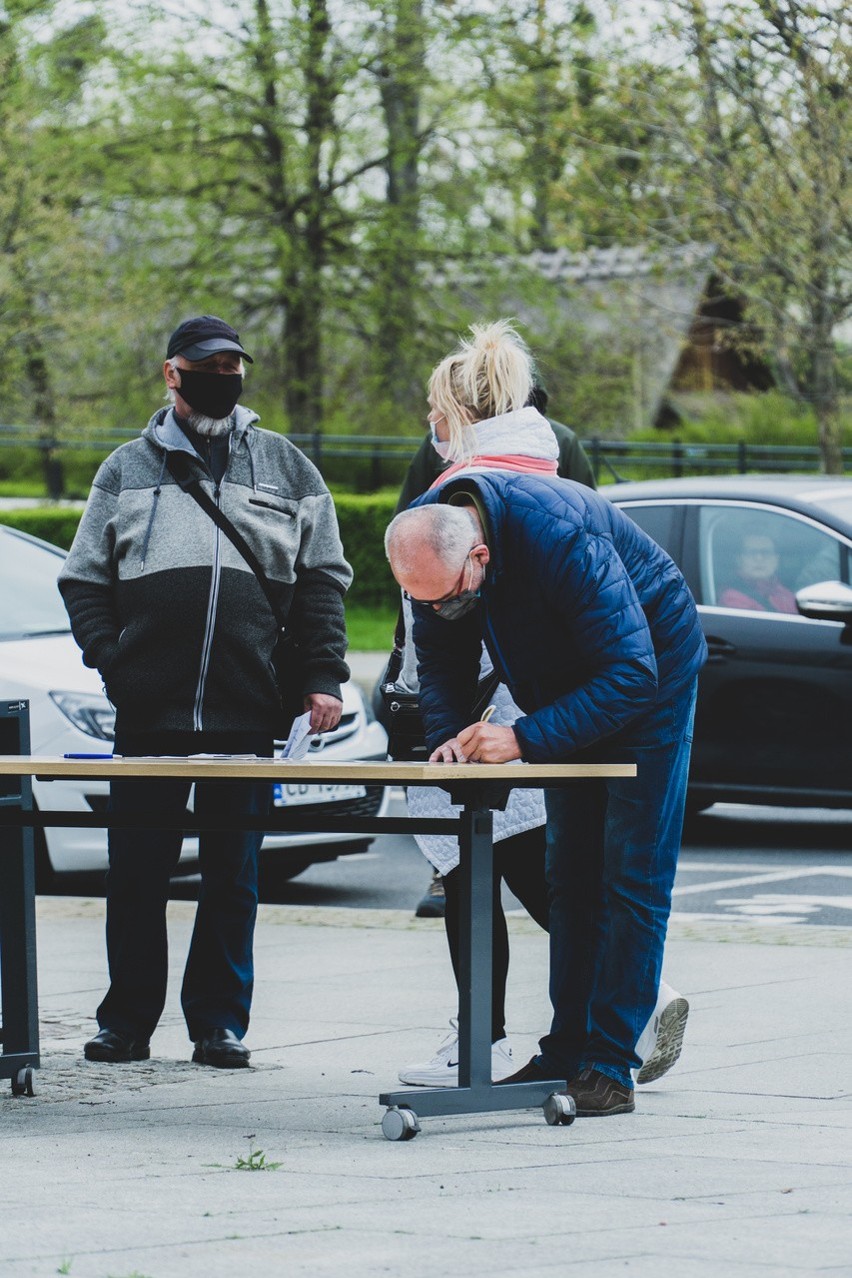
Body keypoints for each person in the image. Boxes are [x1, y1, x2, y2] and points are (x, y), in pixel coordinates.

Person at [390, 320, 698, 1101]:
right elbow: (445, 667)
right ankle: (565, 1050)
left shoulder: (557, 525)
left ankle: (610, 1063)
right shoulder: (437, 543)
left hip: (650, 676)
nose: (444, 609)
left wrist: (523, 739)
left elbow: (632, 670)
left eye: (455, 594)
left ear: (481, 559)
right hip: (571, 677)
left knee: (629, 873)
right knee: (569, 873)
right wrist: (449, 746)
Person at [59, 314, 351, 1069]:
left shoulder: (288, 468)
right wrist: (114, 663)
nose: (225, 374)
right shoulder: (124, 469)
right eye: (208, 363)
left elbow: (323, 581)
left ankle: (219, 1022)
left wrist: (321, 676)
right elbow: (84, 579)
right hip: (148, 712)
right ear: (172, 374)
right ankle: (125, 1022)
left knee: (234, 876)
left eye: (234, 363)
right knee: (136, 876)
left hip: (248, 707)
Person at [397, 358, 596, 923]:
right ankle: (501, 1014)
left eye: (437, 409)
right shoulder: (550, 451)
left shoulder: (460, 470)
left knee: (519, 870)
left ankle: (618, 995)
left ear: (461, 412)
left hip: (514, 689)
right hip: (493, 684)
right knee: (497, 872)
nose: (429, 420)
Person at [719, 528, 797, 614]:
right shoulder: (731, 597)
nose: (759, 558)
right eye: (751, 552)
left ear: (776, 559)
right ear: (739, 560)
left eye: (766, 552)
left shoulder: (786, 594)